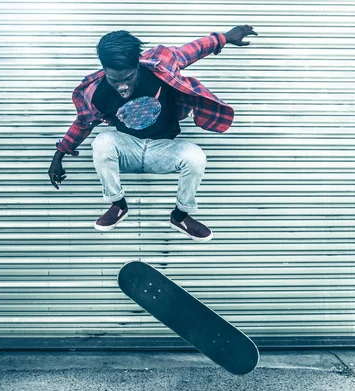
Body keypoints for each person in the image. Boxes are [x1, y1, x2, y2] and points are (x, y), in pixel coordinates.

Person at [48, 25, 257, 242]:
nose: (122, 87)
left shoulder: (161, 64)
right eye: (114, 80)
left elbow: (191, 50)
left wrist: (224, 38)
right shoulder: (98, 93)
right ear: (104, 70)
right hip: (128, 148)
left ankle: (180, 216)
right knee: (102, 142)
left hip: (162, 149)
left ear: (137, 66)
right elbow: (82, 124)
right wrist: (58, 157)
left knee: (196, 157)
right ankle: (118, 205)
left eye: (128, 78)